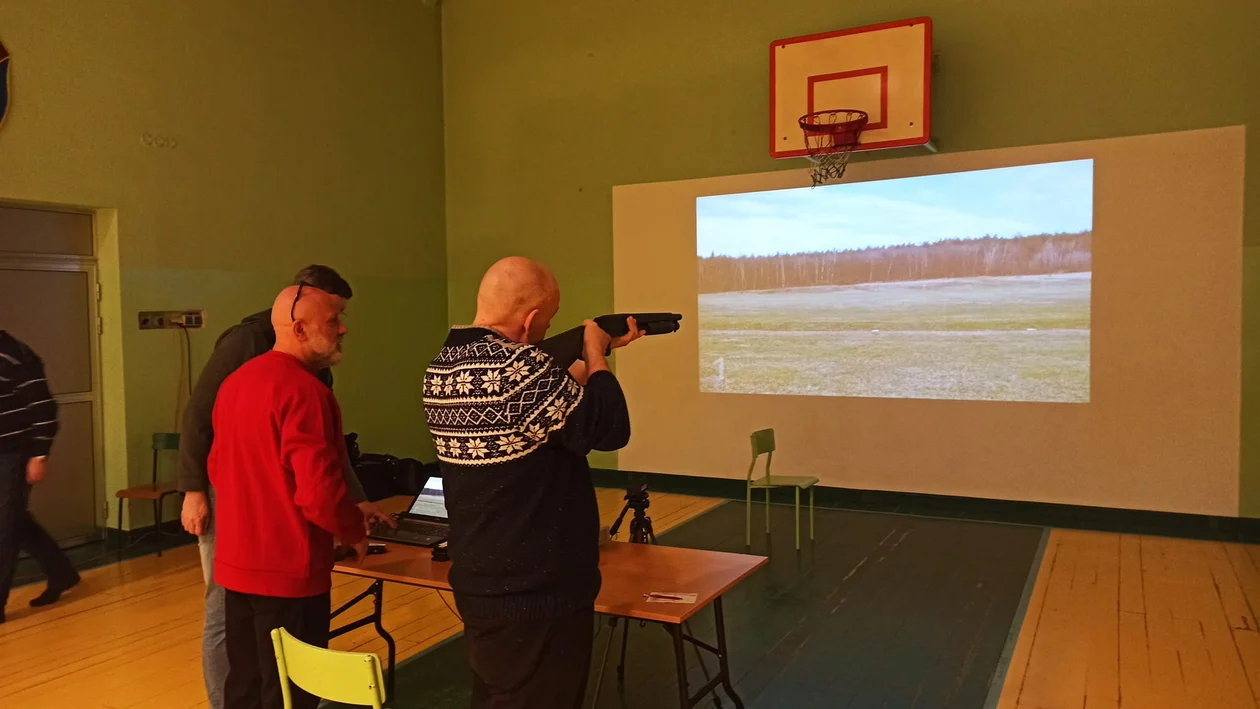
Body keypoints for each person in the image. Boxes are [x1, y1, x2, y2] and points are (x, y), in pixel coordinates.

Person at [423, 256, 643, 708]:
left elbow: (544, 417)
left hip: (480, 580)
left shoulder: (443, 366)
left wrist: (588, 357)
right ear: (530, 319)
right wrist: (597, 352)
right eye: (549, 320)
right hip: (538, 591)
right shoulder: (521, 371)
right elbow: (607, 428)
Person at [177, 265, 392, 709]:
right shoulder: (306, 392)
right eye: (333, 321)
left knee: (246, 686)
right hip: (290, 573)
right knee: (290, 692)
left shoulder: (236, 384)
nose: (342, 327)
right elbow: (318, 491)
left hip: (237, 568)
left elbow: (220, 467)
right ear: (300, 328)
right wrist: (353, 531)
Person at [0, 331, 80, 624]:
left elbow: (44, 408)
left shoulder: (14, 354)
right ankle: (61, 572)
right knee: (13, 520)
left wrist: (39, 454)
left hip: (12, 453)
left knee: (4, 529)